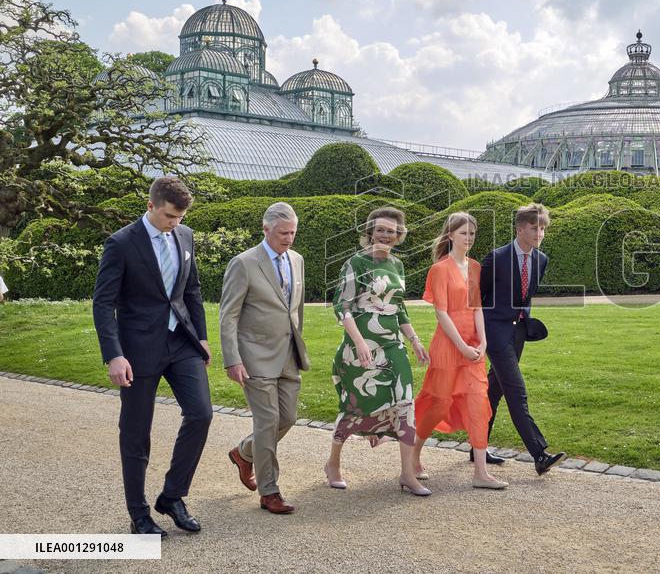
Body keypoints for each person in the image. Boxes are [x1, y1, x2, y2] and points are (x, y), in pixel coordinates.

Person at [92, 176, 213, 538]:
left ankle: (172, 496)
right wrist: (114, 354)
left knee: (201, 414)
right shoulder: (121, 243)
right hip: (137, 350)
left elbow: (191, 289)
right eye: (168, 216)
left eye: (180, 217)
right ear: (150, 206)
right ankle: (139, 515)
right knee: (136, 434)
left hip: (182, 343)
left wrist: (202, 337)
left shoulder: (185, 236)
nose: (174, 223)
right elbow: (103, 303)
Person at [324, 206, 431, 495]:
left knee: (406, 405)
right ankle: (333, 463)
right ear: (370, 231)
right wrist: (359, 342)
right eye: (380, 229)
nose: (385, 235)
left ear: (399, 236)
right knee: (356, 407)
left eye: (391, 231)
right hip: (362, 347)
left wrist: (415, 340)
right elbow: (341, 306)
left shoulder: (397, 265)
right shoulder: (355, 263)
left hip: (393, 346)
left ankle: (408, 475)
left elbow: (400, 308)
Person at [220, 202, 310, 515]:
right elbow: (228, 315)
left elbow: (295, 309)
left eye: (293, 232)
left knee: (287, 419)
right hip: (254, 355)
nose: (289, 238)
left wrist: (299, 346)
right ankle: (269, 491)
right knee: (268, 420)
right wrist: (232, 359)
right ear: (266, 229)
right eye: (283, 233)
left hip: (288, 354)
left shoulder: (297, 260)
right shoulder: (244, 263)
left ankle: (244, 453)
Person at [413, 212, 507, 490]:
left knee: (479, 404)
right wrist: (462, 346)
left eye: (473, 234)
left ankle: (480, 472)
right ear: (450, 234)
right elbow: (441, 313)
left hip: (474, 349)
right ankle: (414, 454)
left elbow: (477, 307)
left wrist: (482, 343)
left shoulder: (476, 267)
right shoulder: (439, 269)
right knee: (438, 403)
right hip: (448, 347)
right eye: (464, 233)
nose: (469, 239)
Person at [480, 203, 565, 475]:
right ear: (520, 228)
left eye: (542, 228)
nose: (539, 232)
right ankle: (539, 454)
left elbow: (526, 296)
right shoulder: (496, 257)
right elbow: (477, 298)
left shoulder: (541, 260)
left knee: (494, 390)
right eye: (534, 227)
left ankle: (476, 447)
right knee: (516, 391)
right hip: (494, 332)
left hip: (518, 332)